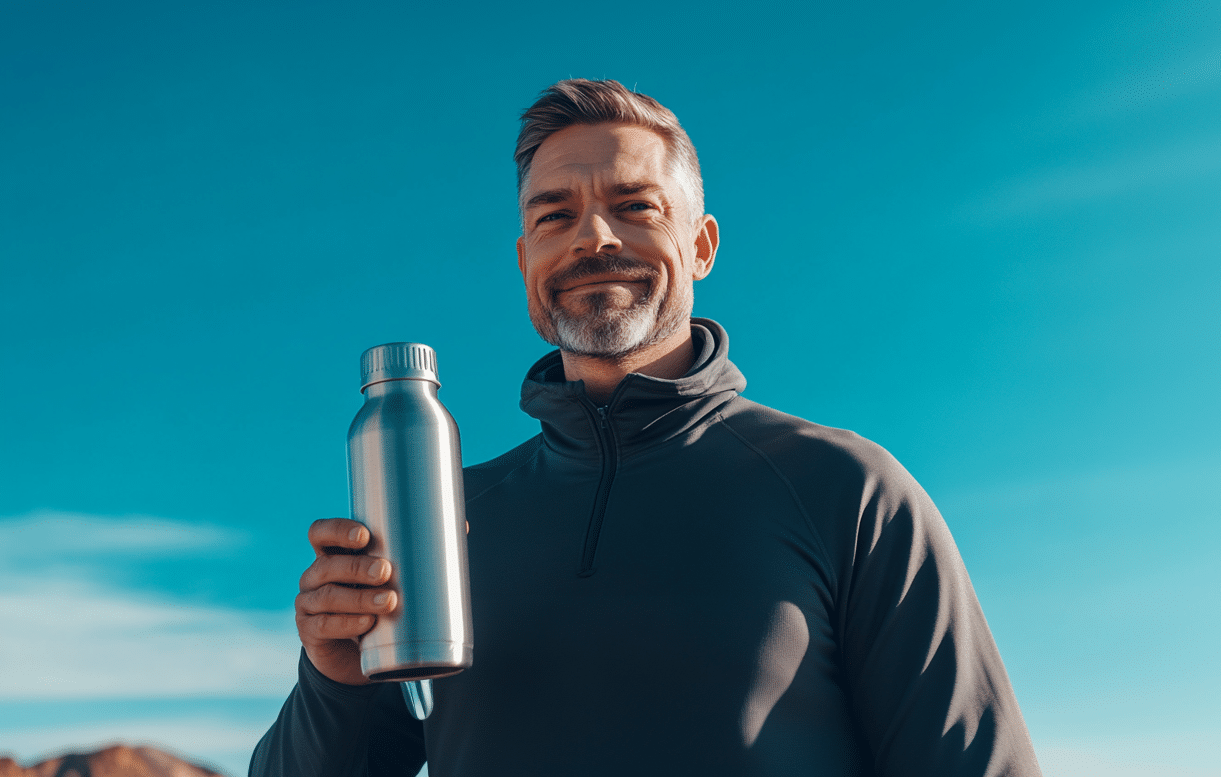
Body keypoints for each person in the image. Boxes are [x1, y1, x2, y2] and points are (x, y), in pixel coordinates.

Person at [251, 79, 1042, 776]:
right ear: (527, 259)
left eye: (635, 207)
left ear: (700, 247)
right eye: (556, 216)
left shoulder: (844, 488)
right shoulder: (448, 515)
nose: (594, 238)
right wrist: (334, 677)